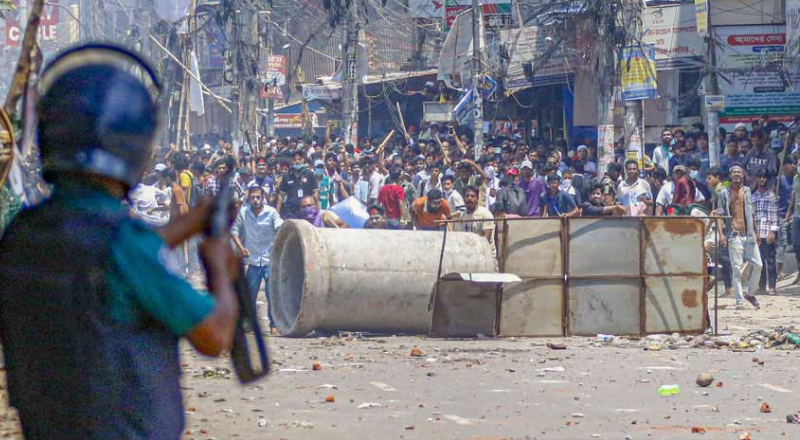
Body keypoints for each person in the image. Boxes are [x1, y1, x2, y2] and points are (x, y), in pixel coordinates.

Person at [0, 44, 239, 439]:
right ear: (137, 148)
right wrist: (220, 271)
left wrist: (191, 222)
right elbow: (214, 335)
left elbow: (93, 255)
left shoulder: (21, 236)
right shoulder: (125, 248)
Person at [231, 186, 283, 335]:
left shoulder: (271, 212)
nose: (255, 200)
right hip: (253, 261)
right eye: (253, 197)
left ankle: (273, 324)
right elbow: (234, 231)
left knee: (271, 294)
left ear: (262, 198)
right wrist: (241, 248)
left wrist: (277, 242)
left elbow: (280, 226)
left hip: (269, 260)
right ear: (249, 198)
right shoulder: (244, 212)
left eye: (258, 197)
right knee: (250, 295)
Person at [716, 165, 762, 309]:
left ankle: (750, 293)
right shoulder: (724, 193)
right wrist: (721, 233)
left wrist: (756, 231)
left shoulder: (747, 191)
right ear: (730, 176)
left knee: (758, 265)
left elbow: (751, 213)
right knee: (736, 269)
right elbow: (719, 215)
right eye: (734, 172)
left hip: (748, 234)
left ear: (743, 175)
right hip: (734, 234)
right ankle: (739, 300)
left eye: (739, 172)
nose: (737, 174)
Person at [751, 171, 779, 295]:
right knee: (759, 262)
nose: (762, 179)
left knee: (771, 261)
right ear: (756, 179)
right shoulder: (753, 196)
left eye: (764, 177)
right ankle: (761, 287)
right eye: (760, 177)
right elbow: (752, 216)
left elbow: (774, 216)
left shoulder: (771, 196)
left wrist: (772, 232)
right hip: (757, 234)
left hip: (768, 233)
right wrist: (754, 233)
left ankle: (772, 286)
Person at [453, 185, 496, 256]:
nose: (469, 198)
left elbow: (485, 239)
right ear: (463, 198)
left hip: (485, 255)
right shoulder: (462, 216)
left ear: (477, 198)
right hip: (468, 255)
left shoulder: (485, 214)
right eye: (467, 196)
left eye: (472, 196)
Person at [277, 150, 318, 217]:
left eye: (299, 159)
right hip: (291, 211)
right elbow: (281, 195)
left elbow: (315, 192)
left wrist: (316, 206)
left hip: (306, 210)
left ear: (303, 160)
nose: (297, 161)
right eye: (295, 159)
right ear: (292, 161)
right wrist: (277, 211)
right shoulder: (287, 176)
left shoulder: (309, 174)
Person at [776, 157, 795, 280]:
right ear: (784, 166)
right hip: (782, 214)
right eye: (790, 164)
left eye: (794, 164)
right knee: (782, 243)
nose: (792, 166)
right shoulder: (780, 179)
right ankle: (779, 272)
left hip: (795, 214)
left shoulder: (796, 179)